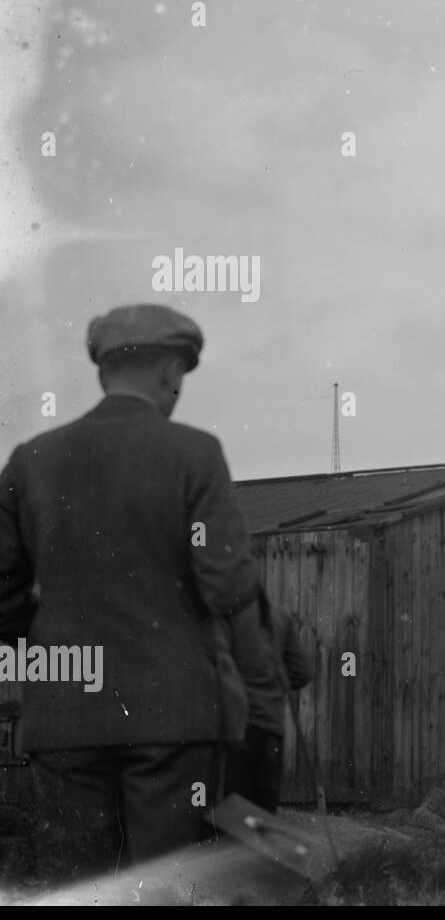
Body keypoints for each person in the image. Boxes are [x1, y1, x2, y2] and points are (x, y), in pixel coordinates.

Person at [0, 303, 260, 876]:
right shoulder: (195, 454)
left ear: (103, 371)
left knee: (80, 891)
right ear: (170, 371)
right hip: (175, 715)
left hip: (63, 713)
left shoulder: (29, 460)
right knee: (168, 883)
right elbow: (228, 587)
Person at [226, 585, 315, 812]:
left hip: (235, 727)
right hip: (270, 727)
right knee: (264, 807)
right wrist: (275, 686)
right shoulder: (280, 616)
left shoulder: (225, 617)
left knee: (233, 809)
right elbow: (301, 672)